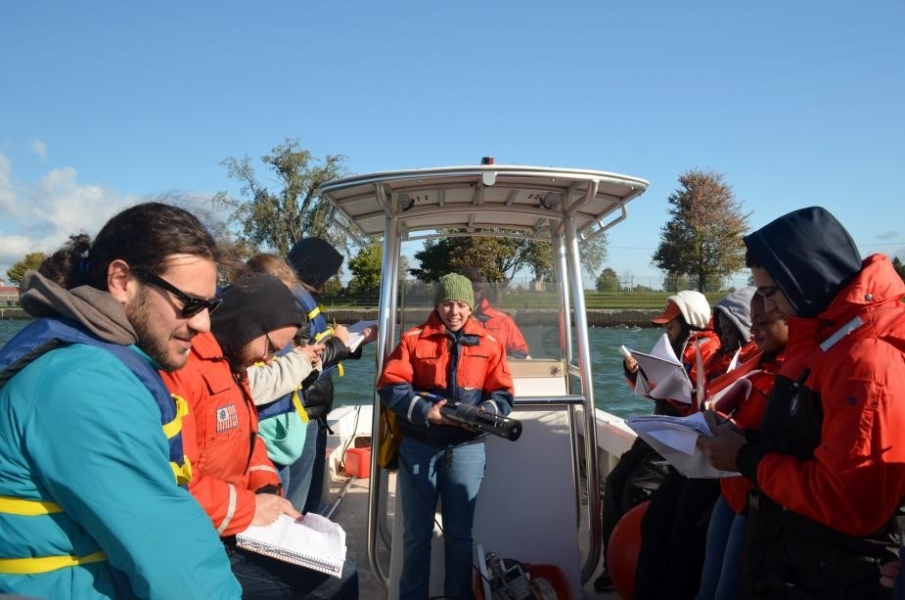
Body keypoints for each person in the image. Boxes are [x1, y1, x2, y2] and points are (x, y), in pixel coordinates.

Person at [0, 202, 240, 599]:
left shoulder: (94, 364)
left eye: (211, 306)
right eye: (189, 303)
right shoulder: (85, 385)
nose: (203, 323)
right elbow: (181, 575)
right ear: (122, 280)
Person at [698, 206, 905, 598]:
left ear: (804, 279)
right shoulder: (824, 343)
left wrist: (746, 459)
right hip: (792, 556)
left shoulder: (866, 360)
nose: (768, 307)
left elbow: (851, 503)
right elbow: (807, 437)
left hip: (829, 573)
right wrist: (746, 439)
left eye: (770, 291)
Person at [159, 272, 358, 599]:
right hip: (200, 544)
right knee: (334, 585)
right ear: (247, 323)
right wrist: (249, 508)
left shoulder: (233, 370)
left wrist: (267, 487)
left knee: (340, 574)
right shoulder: (185, 369)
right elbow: (173, 482)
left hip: (232, 528)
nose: (268, 359)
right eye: (270, 347)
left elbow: (249, 443)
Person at [377, 273, 515, 600]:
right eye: (447, 303)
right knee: (416, 534)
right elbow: (390, 386)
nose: (454, 310)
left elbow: (504, 393)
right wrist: (427, 412)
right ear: (437, 304)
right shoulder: (412, 338)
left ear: (470, 306)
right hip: (419, 446)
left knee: (460, 534)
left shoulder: (491, 343)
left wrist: (485, 414)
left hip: (468, 449)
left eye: (461, 304)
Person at [631, 288, 755, 600]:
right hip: (698, 455)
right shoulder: (717, 356)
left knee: (684, 540)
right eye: (721, 326)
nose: (723, 333)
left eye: (670, 326)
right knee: (658, 522)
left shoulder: (719, 356)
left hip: (725, 470)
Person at [596, 290, 721, 592]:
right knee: (615, 483)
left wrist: (682, 391)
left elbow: (703, 400)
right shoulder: (676, 347)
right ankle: (613, 564)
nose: (667, 331)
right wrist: (635, 373)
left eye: (671, 326)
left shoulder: (710, 350)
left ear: (689, 323)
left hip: (682, 435)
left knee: (638, 489)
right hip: (661, 427)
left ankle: (640, 563)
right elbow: (655, 390)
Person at [696, 296, 788, 600]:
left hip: (755, 494)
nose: (754, 330)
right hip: (732, 490)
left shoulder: (792, 371)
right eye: (752, 322)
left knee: (725, 591)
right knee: (709, 585)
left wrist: (741, 441)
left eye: (761, 323)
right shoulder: (756, 364)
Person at [285, 238, 375, 514]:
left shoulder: (297, 299)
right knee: (295, 499)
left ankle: (305, 539)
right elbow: (303, 363)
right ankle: (291, 551)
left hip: (314, 411)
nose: (329, 282)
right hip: (302, 412)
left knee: (307, 492)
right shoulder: (293, 304)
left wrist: (350, 343)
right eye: (327, 275)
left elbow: (315, 350)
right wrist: (340, 342)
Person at [239, 254, 326, 485]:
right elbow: (249, 384)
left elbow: (290, 372)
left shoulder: (276, 326)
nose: (288, 306)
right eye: (282, 297)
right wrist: (303, 360)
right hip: (262, 445)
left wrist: (313, 360)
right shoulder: (237, 331)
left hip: (286, 438)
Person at [462, 266, 530, 358]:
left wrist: (500, 362)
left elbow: (521, 351)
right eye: (466, 288)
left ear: (484, 289)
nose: (471, 293)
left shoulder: (503, 321)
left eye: (476, 288)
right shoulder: (448, 321)